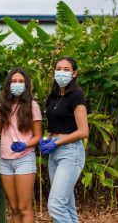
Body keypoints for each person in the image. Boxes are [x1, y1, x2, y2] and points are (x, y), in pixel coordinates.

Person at [39, 56, 89, 223]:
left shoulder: (76, 96)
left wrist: (57, 142)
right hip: (54, 153)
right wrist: (47, 139)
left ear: (74, 74)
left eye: (66, 70)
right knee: (66, 204)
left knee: (56, 205)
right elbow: (56, 125)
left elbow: (83, 131)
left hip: (70, 152)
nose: (61, 72)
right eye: (58, 69)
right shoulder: (52, 97)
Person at [0, 67, 42, 223]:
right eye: (14, 81)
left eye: (21, 81)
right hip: (5, 160)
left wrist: (25, 145)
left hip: (24, 159)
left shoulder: (32, 106)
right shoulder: (5, 106)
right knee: (14, 208)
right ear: (8, 85)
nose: (17, 84)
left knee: (24, 207)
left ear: (26, 85)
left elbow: (38, 136)